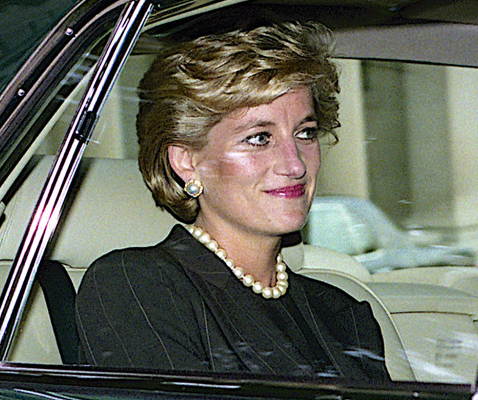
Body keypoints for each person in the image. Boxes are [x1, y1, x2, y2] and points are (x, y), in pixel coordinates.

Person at [75, 21, 391, 383]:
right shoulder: (137, 287)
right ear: (187, 161)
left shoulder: (343, 314)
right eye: (259, 138)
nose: (295, 165)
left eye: (305, 133)